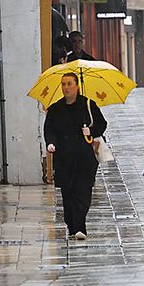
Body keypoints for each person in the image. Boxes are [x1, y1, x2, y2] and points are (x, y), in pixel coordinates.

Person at [45, 72, 107, 240]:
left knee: (83, 191)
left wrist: (91, 131)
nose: (66, 87)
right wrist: (50, 142)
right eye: (63, 84)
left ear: (77, 86)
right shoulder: (56, 108)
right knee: (68, 192)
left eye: (69, 84)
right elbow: (49, 128)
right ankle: (72, 226)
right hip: (64, 158)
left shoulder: (88, 105)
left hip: (84, 157)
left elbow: (102, 124)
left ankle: (80, 226)